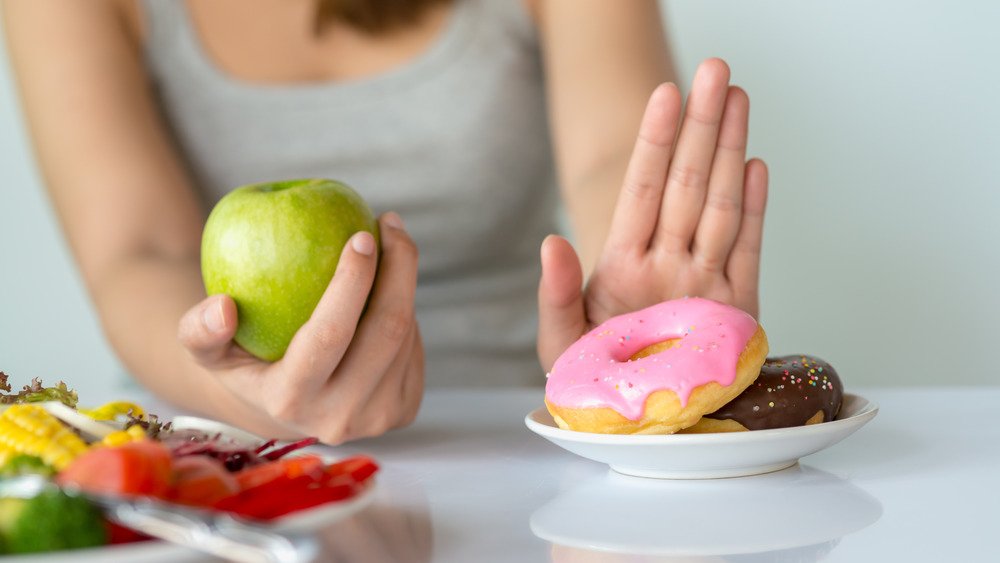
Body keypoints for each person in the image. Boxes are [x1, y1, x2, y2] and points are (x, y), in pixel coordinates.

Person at [2, 0, 767, 444]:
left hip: (513, 452)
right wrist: (254, 399)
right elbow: (136, 249)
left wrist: (635, 327)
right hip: (217, 461)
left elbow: (611, 160)